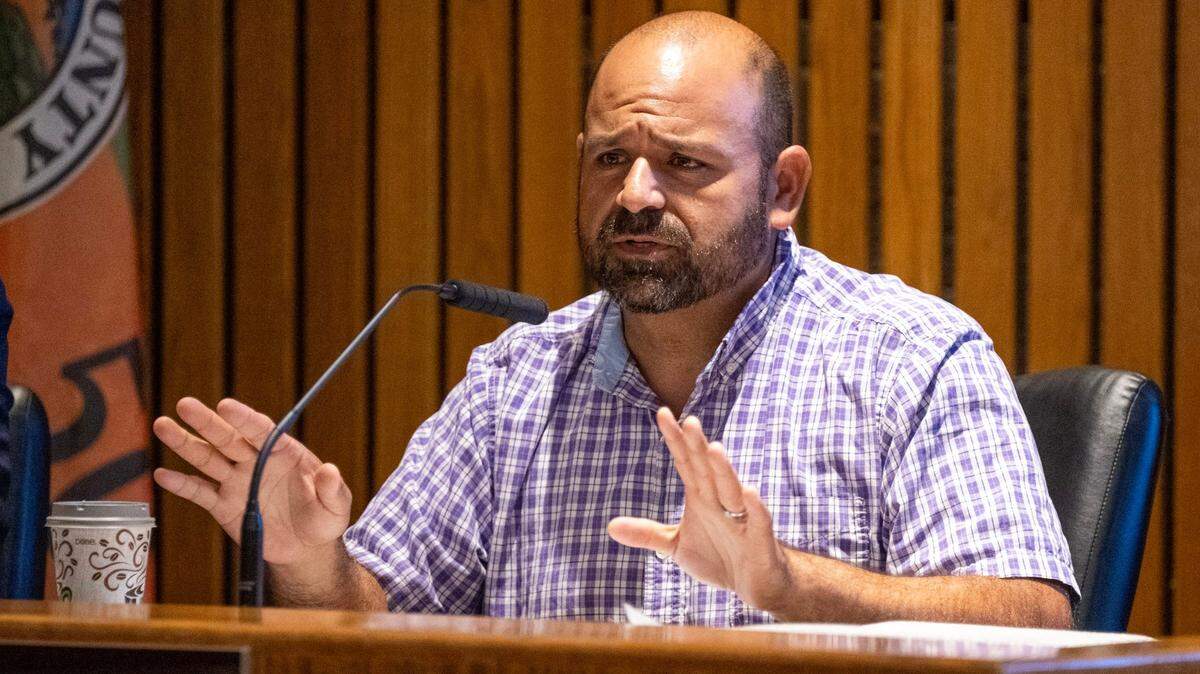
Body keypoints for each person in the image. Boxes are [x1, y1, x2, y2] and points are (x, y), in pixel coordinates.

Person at [152, 12, 1076, 627]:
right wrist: (313, 562)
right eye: (609, 159)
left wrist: (790, 584)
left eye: (683, 163)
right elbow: (376, 619)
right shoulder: (516, 385)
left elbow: (1036, 620)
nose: (636, 195)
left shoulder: (907, 356)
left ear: (782, 187)